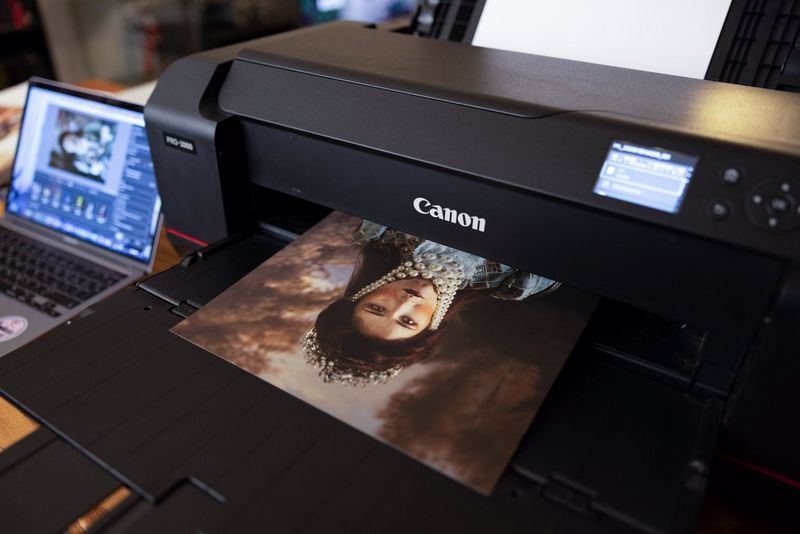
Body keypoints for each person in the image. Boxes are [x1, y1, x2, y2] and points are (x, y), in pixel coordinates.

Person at [302, 220, 560, 386]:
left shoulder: (378, 232)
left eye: (377, 308)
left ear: (360, 295)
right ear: (429, 328)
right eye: (408, 321)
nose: (406, 302)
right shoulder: (517, 283)